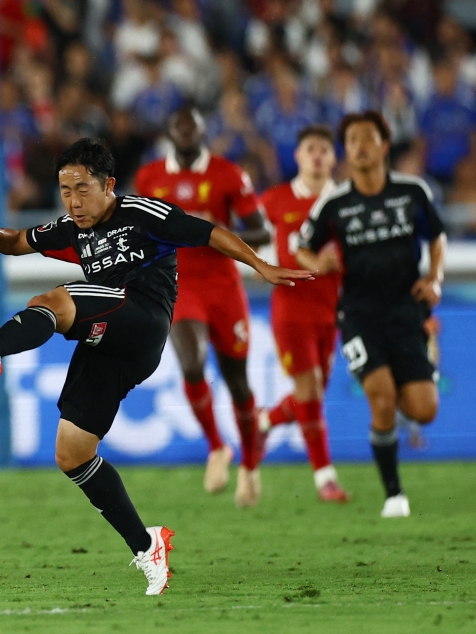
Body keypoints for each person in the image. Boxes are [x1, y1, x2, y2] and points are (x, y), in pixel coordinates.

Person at [0, 138, 310, 595]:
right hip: (109, 338)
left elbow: (207, 231)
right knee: (72, 453)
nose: (73, 200)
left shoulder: (143, 213)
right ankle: (147, 545)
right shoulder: (73, 226)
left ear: (109, 184)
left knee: (53, 301)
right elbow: (17, 242)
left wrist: (260, 265)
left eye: (82, 188)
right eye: (65, 190)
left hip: (143, 317)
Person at [298, 111, 445, 518]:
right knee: (380, 401)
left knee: (424, 410)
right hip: (359, 315)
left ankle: (404, 376)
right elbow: (302, 245)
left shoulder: (413, 192)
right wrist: (317, 261)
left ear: (384, 145)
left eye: (368, 138)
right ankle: (394, 495)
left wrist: (435, 277)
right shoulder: (335, 202)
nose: (360, 147)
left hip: (405, 311)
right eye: (353, 141)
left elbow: (438, 236)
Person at [134, 107, 271, 507]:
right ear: (171, 134)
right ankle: (216, 446)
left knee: (237, 381)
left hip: (223, 286)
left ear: (202, 132)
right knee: (191, 363)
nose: (187, 135)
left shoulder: (229, 175)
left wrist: (214, 228)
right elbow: (135, 227)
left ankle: (249, 464)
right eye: (180, 129)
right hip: (179, 283)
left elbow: (261, 229)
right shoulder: (150, 177)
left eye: (193, 128)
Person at [258, 124, 348, 503]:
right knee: (309, 390)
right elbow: (252, 241)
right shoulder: (274, 200)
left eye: (325, 149)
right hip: (291, 309)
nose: (317, 155)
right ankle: (325, 478)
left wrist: (337, 260)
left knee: (311, 395)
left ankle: (263, 421)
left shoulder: (346, 202)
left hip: (331, 311)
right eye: (310, 148)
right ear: (297, 156)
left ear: (333, 158)